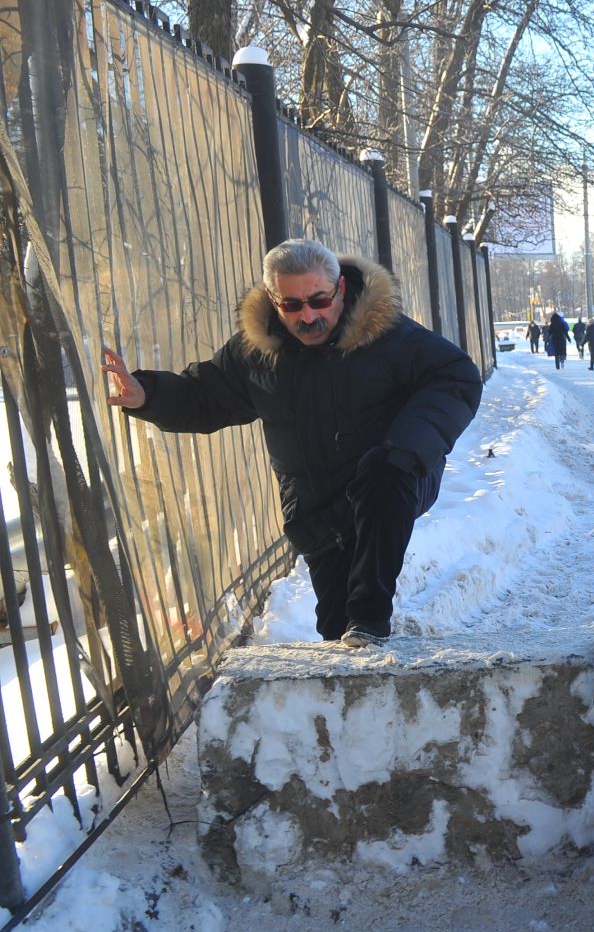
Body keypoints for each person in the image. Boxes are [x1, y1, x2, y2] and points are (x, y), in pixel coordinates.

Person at [102, 238, 481, 648]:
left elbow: (455, 376)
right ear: (272, 299)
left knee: (378, 508)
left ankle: (371, 616)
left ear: (339, 290)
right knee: (337, 633)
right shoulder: (257, 352)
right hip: (317, 508)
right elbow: (205, 396)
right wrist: (148, 395)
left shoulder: (387, 336)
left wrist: (409, 446)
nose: (309, 316)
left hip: (391, 481)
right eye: (293, 306)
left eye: (319, 300)